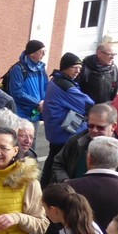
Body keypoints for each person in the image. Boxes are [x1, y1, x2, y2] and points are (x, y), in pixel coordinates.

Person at [52, 103, 118, 191]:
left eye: (100, 127)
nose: (94, 130)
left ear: (114, 126)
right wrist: (66, 182)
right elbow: (58, 163)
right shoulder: (75, 142)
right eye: (90, 126)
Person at [40, 52, 93, 187]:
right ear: (65, 67)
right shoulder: (65, 86)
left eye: (80, 68)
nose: (77, 71)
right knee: (61, 164)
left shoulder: (56, 80)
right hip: (64, 134)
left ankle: (45, 187)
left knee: (52, 160)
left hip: (55, 132)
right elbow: (88, 104)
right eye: (74, 67)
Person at [7, 39, 48, 121]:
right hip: (21, 114)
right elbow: (17, 92)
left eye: (44, 51)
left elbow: (46, 88)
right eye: (41, 51)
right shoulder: (18, 69)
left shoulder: (41, 69)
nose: (44, 54)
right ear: (32, 54)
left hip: (37, 113)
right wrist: (37, 103)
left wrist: (44, 103)